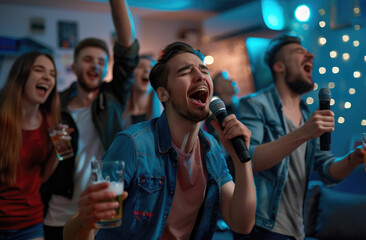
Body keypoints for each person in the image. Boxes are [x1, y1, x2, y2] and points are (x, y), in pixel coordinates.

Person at [63, 41, 256, 240]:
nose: (200, 76)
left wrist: (242, 160)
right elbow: (78, 230)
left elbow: (242, 224)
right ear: (163, 93)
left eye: (204, 70)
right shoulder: (132, 144)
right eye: (185, 72)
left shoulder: (211, 148)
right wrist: (85, 221)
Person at [235, 34, 365, 240]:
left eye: (308, 52)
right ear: (279, 67)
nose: (311, 55)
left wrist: (353, 158)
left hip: (297, 229)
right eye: (299, 52)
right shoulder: (255, 105)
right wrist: (304, 133)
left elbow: (326, 170)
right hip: (262, 227)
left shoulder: (306, 114)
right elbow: (249, 160)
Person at [41, 0, 139, 239]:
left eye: (101, 61)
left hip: (105, 213)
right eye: (88, 60)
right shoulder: (55, 104)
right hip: (59, 214)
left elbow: (127, 50)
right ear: (74, 66)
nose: (95, 65)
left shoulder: (112, 96)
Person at [0, 51, 60, 240]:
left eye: (52, 74)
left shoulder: (50, 123)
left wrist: (59, 151)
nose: (47, 77)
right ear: (22, 75)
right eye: (39, 70)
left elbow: (43, 176)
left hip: (30, 222)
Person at [121, 55, 163, 129]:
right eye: (140, 67)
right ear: (131, 75)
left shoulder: (164, 115)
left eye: (151, 68)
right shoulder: (120, 116)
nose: (147, 70)